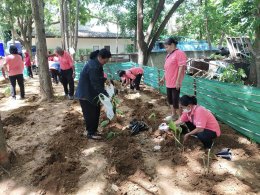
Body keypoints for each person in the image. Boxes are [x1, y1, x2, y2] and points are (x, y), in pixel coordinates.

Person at [75, 49, 112, 140]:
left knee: (96, 112)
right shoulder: (93, 66)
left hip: (91, 93)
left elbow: (98, 78)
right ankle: (90, 133)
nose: (105, 63)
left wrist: (105, 80)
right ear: (100, 57)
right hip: (86, 94)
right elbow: (96, 83)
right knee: (90, 114)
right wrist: (106, 95)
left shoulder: (97, 64)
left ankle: (94, 131)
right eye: (105, 60)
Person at [159, 37, 187, 120]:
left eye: (167, 47)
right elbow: (167, 69)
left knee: (176, 100)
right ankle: (173, 115)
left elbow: (181, 67)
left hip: (175, 82)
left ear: (172, 45)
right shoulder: (168, 55)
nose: (166, 49)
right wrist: (163, 78)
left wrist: (178, 81)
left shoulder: (179, 53)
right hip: (169, 82)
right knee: (170, 100)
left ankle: (180, 118)